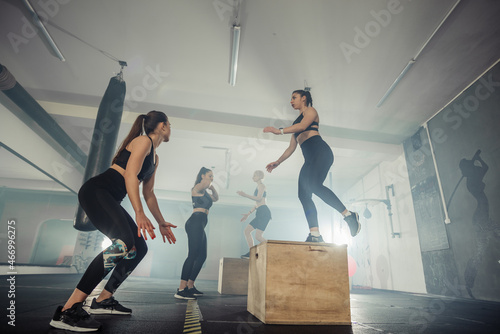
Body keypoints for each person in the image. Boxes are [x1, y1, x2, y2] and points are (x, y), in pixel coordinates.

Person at [50, 111, 177, 332]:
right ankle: (68, 310)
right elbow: (130, 176)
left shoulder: (155, 157)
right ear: (163, 126)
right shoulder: (143, 141)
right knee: (123, 242)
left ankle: (104, 299)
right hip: (97, 191)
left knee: (139, 246)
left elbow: (149, 193)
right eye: (170, 125)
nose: (170, 128)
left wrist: (161, 222)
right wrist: (138, 212)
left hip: (109, 197)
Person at [264, 90, 360, 242]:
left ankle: (349, 215)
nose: (291, 101)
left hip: (321, 152)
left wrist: (279, 131)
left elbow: (303, 127)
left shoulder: (310, 111)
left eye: (294, 98)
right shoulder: (295, 124)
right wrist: (278, 161)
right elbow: (291, 148)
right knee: (303, 194)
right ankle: (315, 234)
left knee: (314, 186)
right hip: (309, 159)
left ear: (304, 98)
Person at [174, 167, 219, 300]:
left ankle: (190, 286)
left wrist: (212, 188)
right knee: (192, 255)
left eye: (213, 176)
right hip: (194, 223)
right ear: (202, 175)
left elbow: (216, 198)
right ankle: (181, 289)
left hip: (200, 224)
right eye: (210, 175)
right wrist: (209, 182)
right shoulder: (198, 187)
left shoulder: (205, 191)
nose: (212, 178)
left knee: (202, 256)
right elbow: (206, 184)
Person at [237, 170, 272, 259]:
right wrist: (248, 214)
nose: (253, 177)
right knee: (248, 232)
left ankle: (272, 248)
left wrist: (245, 195)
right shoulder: (258, 186)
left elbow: (259, 198)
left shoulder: (261, 186)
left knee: (258, 236)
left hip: (264, 212)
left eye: (255, 176)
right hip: (260, 211)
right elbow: (257, 204)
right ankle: (252, 252)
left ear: (260, 177)